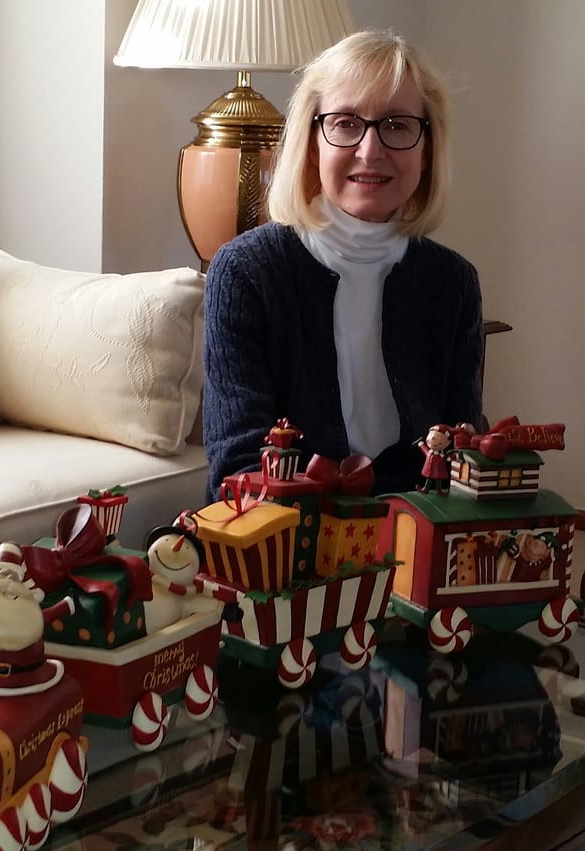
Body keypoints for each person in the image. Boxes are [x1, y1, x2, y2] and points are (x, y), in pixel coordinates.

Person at [202, 28, 484, 500]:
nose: (370, 151)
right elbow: (238, 467)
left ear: (427, 148)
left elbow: (461, 454)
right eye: (346, 123)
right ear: (313, 142)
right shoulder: (246, 272)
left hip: (416, 529)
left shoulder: (453, 281)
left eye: (397, 125)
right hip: (281, 535)